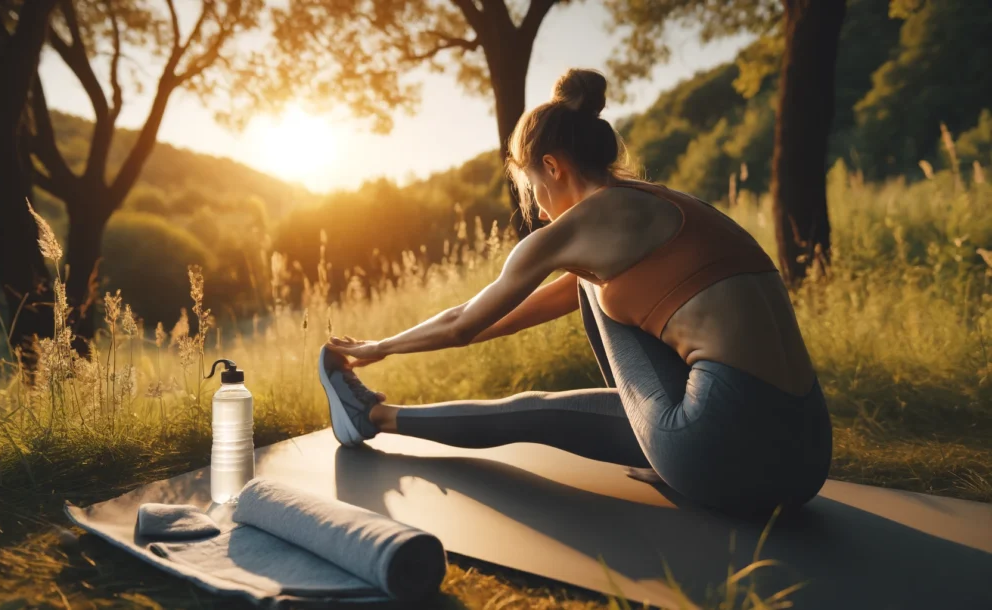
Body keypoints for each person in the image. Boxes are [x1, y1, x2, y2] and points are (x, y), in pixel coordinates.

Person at [319, 68, 831, 517]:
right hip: (806, 459)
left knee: (552, 373)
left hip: (715, 450)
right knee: (543, 406)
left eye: (532, 189)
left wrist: (377, 347)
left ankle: (372, 417)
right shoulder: (666, 206)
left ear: (553, 167)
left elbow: (464, 324)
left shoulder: (581, 231)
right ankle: (375, 418)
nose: (540, 210)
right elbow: (505, 316)